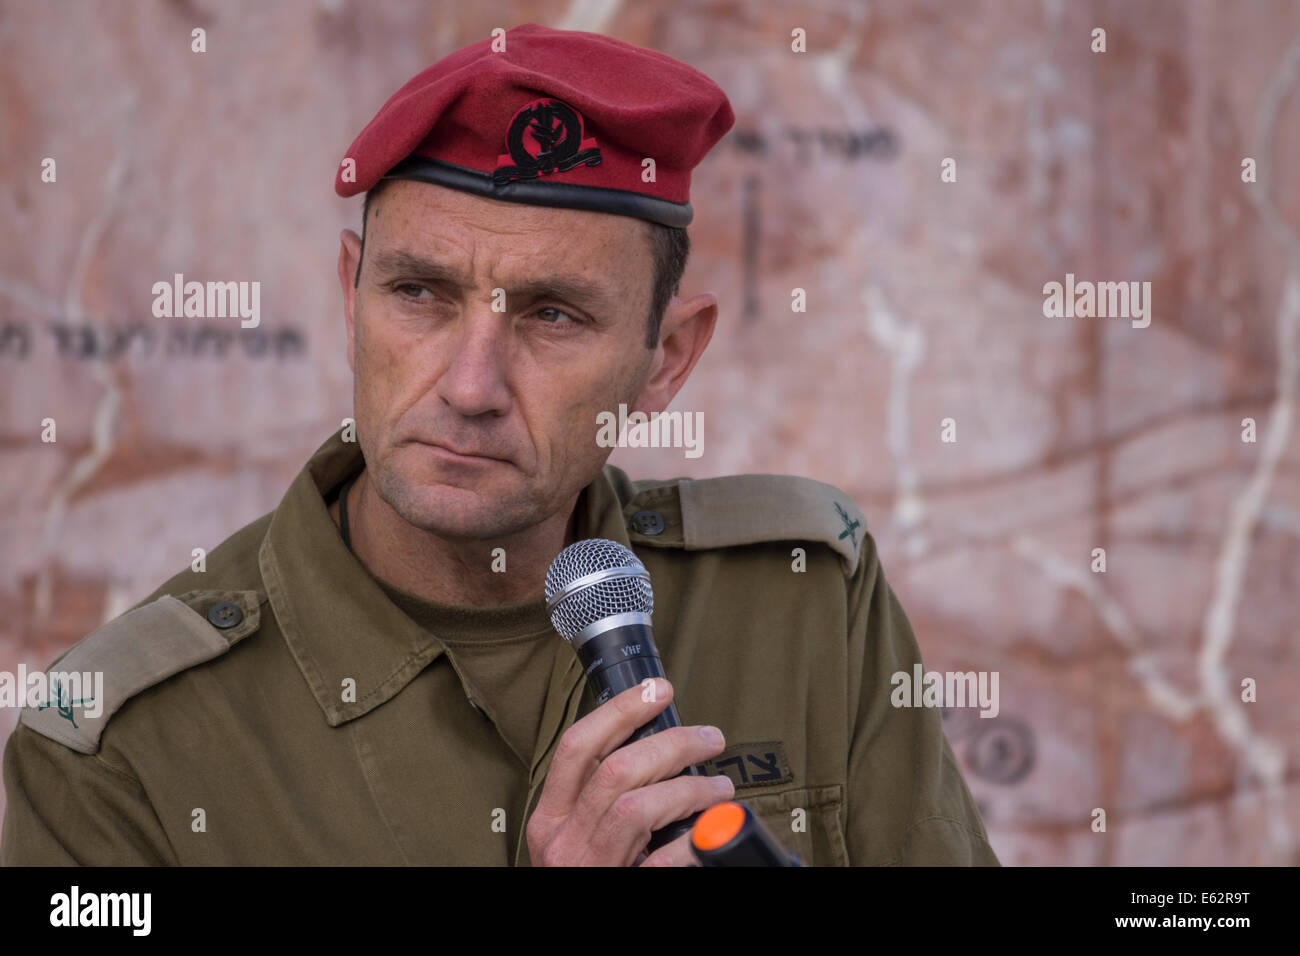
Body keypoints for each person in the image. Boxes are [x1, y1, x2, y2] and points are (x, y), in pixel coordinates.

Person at [1, 23, 998, 866]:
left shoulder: (801, 599)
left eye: (552, 315)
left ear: (667, 359)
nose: (470, 385)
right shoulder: (122, 740)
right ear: (352, 297)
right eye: (420, 294)